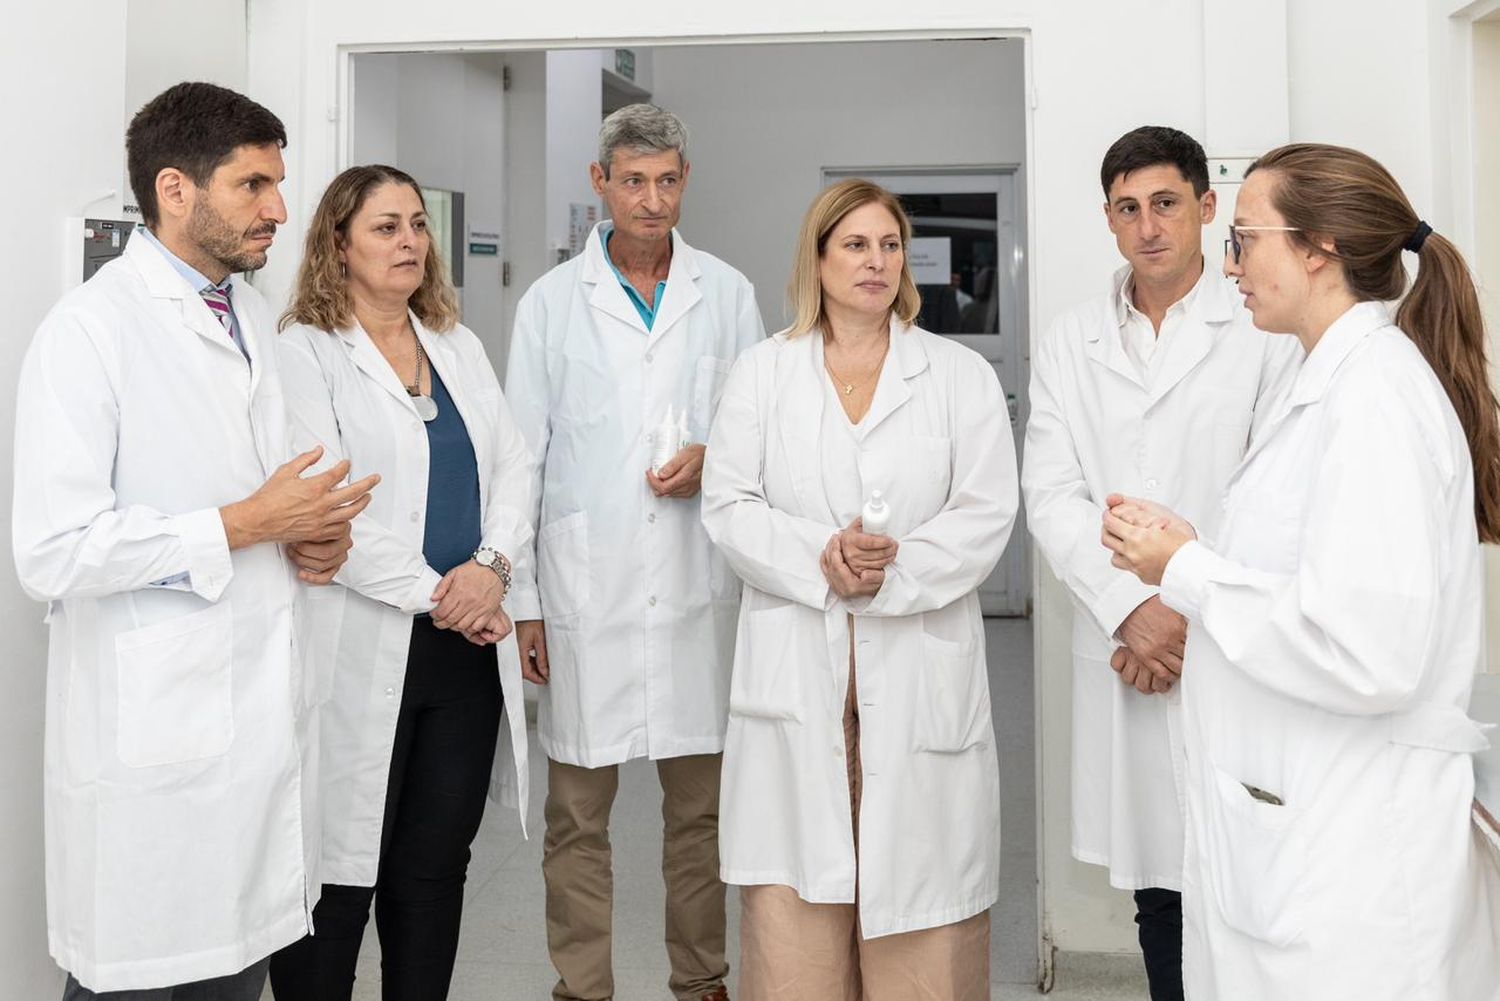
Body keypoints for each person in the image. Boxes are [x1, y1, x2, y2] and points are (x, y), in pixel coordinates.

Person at [1103, 142, 1500, 1001]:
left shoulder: (1374, 400)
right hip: (1304, 831)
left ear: (1318, 247)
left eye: (1246, 239)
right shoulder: (1327, 383)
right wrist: (1198, 549)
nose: (1232, 263)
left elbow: (1366, 648)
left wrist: (1191, 570)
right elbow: (1315, 569)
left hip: (1351, 855)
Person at [11, 82, 379, 999]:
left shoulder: (251, 317)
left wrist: (312, 542)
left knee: (234, 969)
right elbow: (51, 550)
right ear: (175, 190)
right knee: (139, 975)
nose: (280, 209)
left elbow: (272, 491)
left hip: (252, 746)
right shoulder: (90, 331)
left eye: (278, 183)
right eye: (254, 185)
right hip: (153, 749)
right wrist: (245, 525)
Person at [701, 179, 1018, 999]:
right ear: (817, 256)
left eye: (889, 245)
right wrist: (822, 557)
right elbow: (728, 504)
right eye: (854, 244)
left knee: (924, 920)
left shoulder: (956, 374)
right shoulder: (763, 372)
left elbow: (986, 512)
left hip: (917, 666)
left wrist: (884, 571)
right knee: (795, 923)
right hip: (799, 672)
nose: (875, 261)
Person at [1020, 125, 1300, 1001]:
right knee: (1159, 885)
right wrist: (1127, 610)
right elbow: (1053, 492)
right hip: (1127, 645)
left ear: (1207, 208)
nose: (1148, 227)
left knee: (1242, 869)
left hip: (1222, 635)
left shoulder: (1262, 328)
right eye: (1128, 208)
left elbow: (1278, 490)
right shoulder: (1071, 339)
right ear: (1108, 220)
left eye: (1166, 204)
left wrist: (1180, 605)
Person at [503, 103, 764, 1001]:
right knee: (577, 818)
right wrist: (526, 600)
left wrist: (715, 460)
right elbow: (522, 464)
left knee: (702, 815)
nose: (651, 200)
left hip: (697, 588)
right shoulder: (548, 305)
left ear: (685, 180)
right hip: (587, 596)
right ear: (599, 185)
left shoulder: (725, 293)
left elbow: (759, 436)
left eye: (666, 180)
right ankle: (583, 987)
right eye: (633, 181)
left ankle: (702, 981)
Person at [265, 165, 535, 1000]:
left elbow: (516, 467)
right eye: (386, 227)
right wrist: (446, 595)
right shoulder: (305, 353)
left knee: (433, 866)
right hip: (362, 643)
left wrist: (490, 571)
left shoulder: (457, 345)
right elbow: (327, 508)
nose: (410, 241)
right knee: (337, 872)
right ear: (337, 244)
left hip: (461, 659)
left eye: (417, 224)